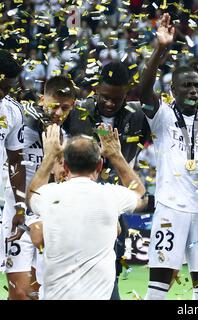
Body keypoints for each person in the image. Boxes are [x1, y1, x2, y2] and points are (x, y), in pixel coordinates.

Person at [139, 13, 198, 300]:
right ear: (172, 91)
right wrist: (160, 48)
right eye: (186, 86)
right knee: (158, 282)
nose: (193, 90)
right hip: (171, 208)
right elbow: (144, 90)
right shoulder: (164, 116)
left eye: (197, 85)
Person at [26, 124, 148, 299]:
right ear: (99, 166)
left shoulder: (49, 194)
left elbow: (31, 198)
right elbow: (141, 197)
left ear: (65, 166)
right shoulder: (111, 195)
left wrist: (49, 157)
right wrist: (116, 156)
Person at [63, 60, 151, 299]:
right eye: (105, 97)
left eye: (118, 99)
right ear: (97, 88)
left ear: (126, 95)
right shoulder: (75, 112)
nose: (110, 103)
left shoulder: (138, 116)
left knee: (109, 270)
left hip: (116, 203)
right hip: (75, 204)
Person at [2, 75, 77, 300]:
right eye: (54, 106)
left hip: (48, 219)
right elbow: (29, 112)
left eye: (65, 108)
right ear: (42, 99)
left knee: (39, 293)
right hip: (18, 213)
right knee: (19, 294)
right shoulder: (23, 120)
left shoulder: (65, 135)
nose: (58, 113)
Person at [0, 49, 27, 300]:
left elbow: (15, 161)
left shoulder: (12, 111)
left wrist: (20, 206)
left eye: (7, 89)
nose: (3, 94)